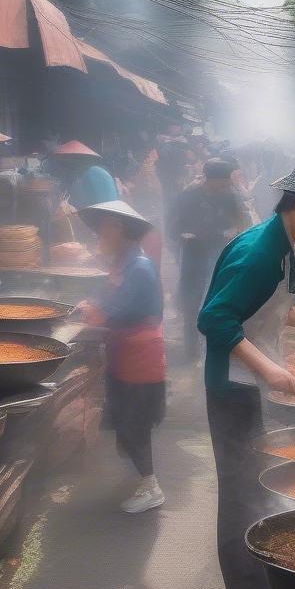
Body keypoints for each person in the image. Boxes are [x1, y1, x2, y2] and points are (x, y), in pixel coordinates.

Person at [198, 157, 295, 589]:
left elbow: (267, 300)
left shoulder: (282, 242)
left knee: (256, 480)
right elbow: (214, 318)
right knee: (240, 487)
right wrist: (270, 370)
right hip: (236, 387)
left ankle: (261, 570)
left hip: (252, 383)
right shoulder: (259, 253)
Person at [75, 201, 168, 513]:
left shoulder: (139, 267)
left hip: (140, 358)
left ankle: (151, 486)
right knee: (124, 420)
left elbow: (121, 311)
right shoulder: (122, 263)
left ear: (122, 230)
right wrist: (90, 302)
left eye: (106, 225)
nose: (100, 231)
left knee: (134, 424)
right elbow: (106, 298)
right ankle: (139, 474)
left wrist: (94, 312)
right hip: (123, 353)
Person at [169, 158, 246, 360]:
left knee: (220, 304)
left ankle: (218, 349)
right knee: (191, 304)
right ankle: (191, 353)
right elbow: (172, 226)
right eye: (226, 179)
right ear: (212, 179)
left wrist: (236, 232)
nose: (229, 183)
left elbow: (242, 222)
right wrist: (183, 235)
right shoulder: (189, 196)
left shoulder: (230, 195)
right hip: (194, 254)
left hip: (220, 253)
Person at [49, 141, 120, 210]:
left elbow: (106, 208)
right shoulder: (74, 176)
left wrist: (74, 211)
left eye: (68, 161)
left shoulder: (96, 173)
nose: (64, 165)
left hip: (102, 217)